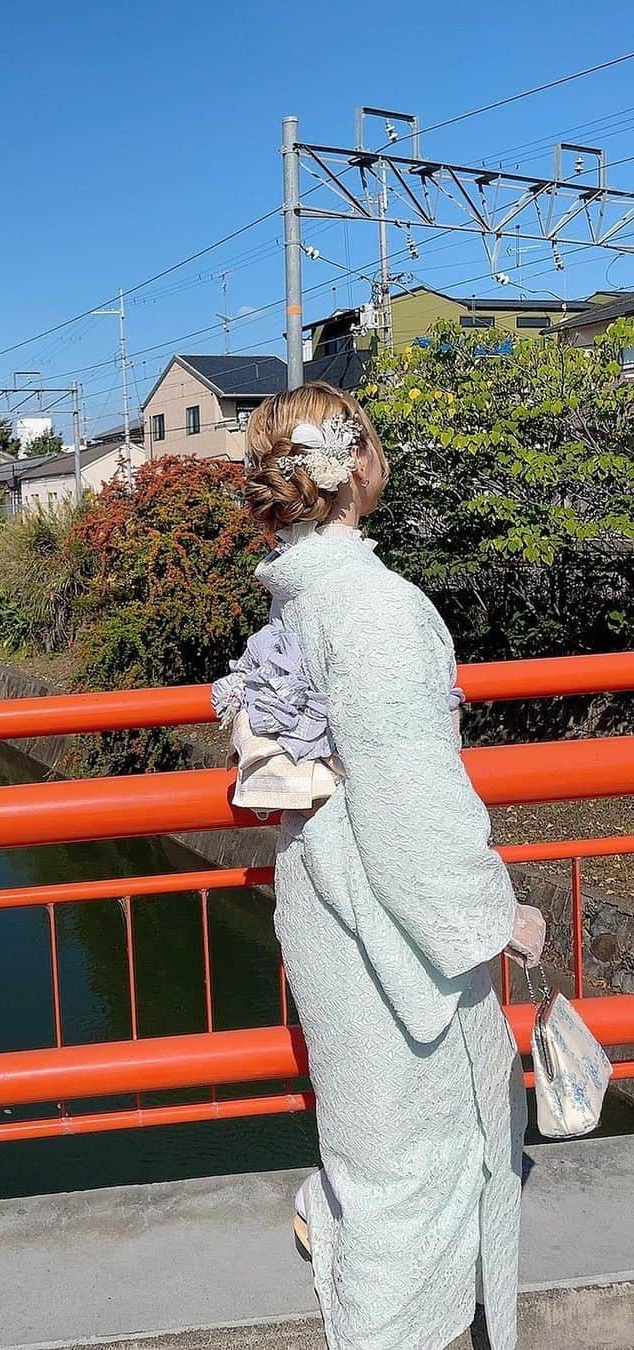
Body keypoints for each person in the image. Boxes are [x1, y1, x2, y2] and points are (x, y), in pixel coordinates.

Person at [219, 381, 543, 1350]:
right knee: (417, 1166)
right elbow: (414, 805)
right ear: (356, 462)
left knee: (366, 1141)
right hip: (387, 933)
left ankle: (339, 1228)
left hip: (326, 904)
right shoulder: (378, 608)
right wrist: (495, 918)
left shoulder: (300, 599)